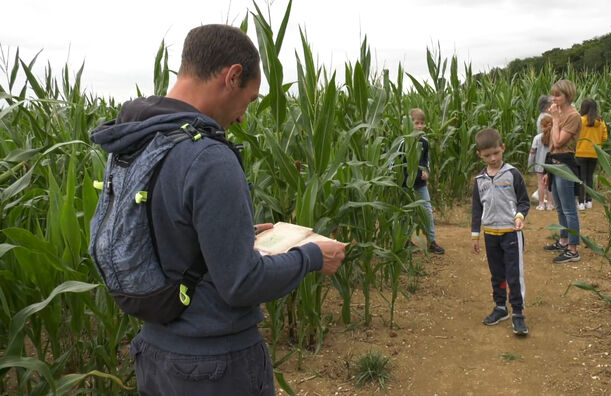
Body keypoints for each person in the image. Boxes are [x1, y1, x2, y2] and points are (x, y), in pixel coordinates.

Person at [89, 24, 346, 395]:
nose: (243, 117)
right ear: (233, 76)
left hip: (155, 356)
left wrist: (233, 234)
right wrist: (310, 257)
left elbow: (163, 234)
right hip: (215, 367)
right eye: (251, 99)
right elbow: (241, 283)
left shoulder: (135, 140)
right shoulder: (208, 156)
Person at [471, 128, 530, 336]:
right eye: (487, 155)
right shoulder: (480, 180)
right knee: (497, 273)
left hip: (511, 233)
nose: (493, 158)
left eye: (496, 153)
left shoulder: (513, 174)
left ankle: (518, 313)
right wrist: (475, 235)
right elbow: (477, 209)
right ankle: (500, 307)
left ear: (503, 148)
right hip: (490, 234)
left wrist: (520, 217)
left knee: (514, 274)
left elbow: (524, 201)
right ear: (480, 155)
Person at [542, 79, 582, 264]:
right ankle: (563, 241)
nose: (554, 98)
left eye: (558, 95)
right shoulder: (558, 114)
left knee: (569, 209)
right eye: (553, 94)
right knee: (559, 207)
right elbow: (550, 144)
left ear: (568, 95)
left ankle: (573, 249)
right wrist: (546, 171)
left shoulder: (573, 116)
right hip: (554, 163)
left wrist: (556, 120)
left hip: (565, 165)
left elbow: (559, 142)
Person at [401, 108, 445, 254]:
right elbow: (393, 163)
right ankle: (405, 241)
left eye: (422, 123)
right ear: (409, 123)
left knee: (427, 212)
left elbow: (426, 161)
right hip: (405, 185)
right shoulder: (402, 142)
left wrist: (426, 171)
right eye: (416, 123)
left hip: (420, 184)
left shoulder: (424, 142)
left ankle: (431, 242)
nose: (420, 126)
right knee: (405, 214)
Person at [575, 98, 608, 210]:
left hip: (581, 152)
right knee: (590, 177)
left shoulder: (580, 120)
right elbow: (604, 137)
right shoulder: (601, 122)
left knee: (581, 178)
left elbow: (575, 135)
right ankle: (589, 201)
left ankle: (581, 203)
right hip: (594, 153)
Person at [527, 114, 555, 211]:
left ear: (542, 126)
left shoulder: (537, 138)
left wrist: (530, 165)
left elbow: (532, 153)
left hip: (539, 165)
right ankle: (550, 204)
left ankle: (541, 204)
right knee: (549, 184)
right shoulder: (555, 137)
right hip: (552, 166)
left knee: (541, 184)